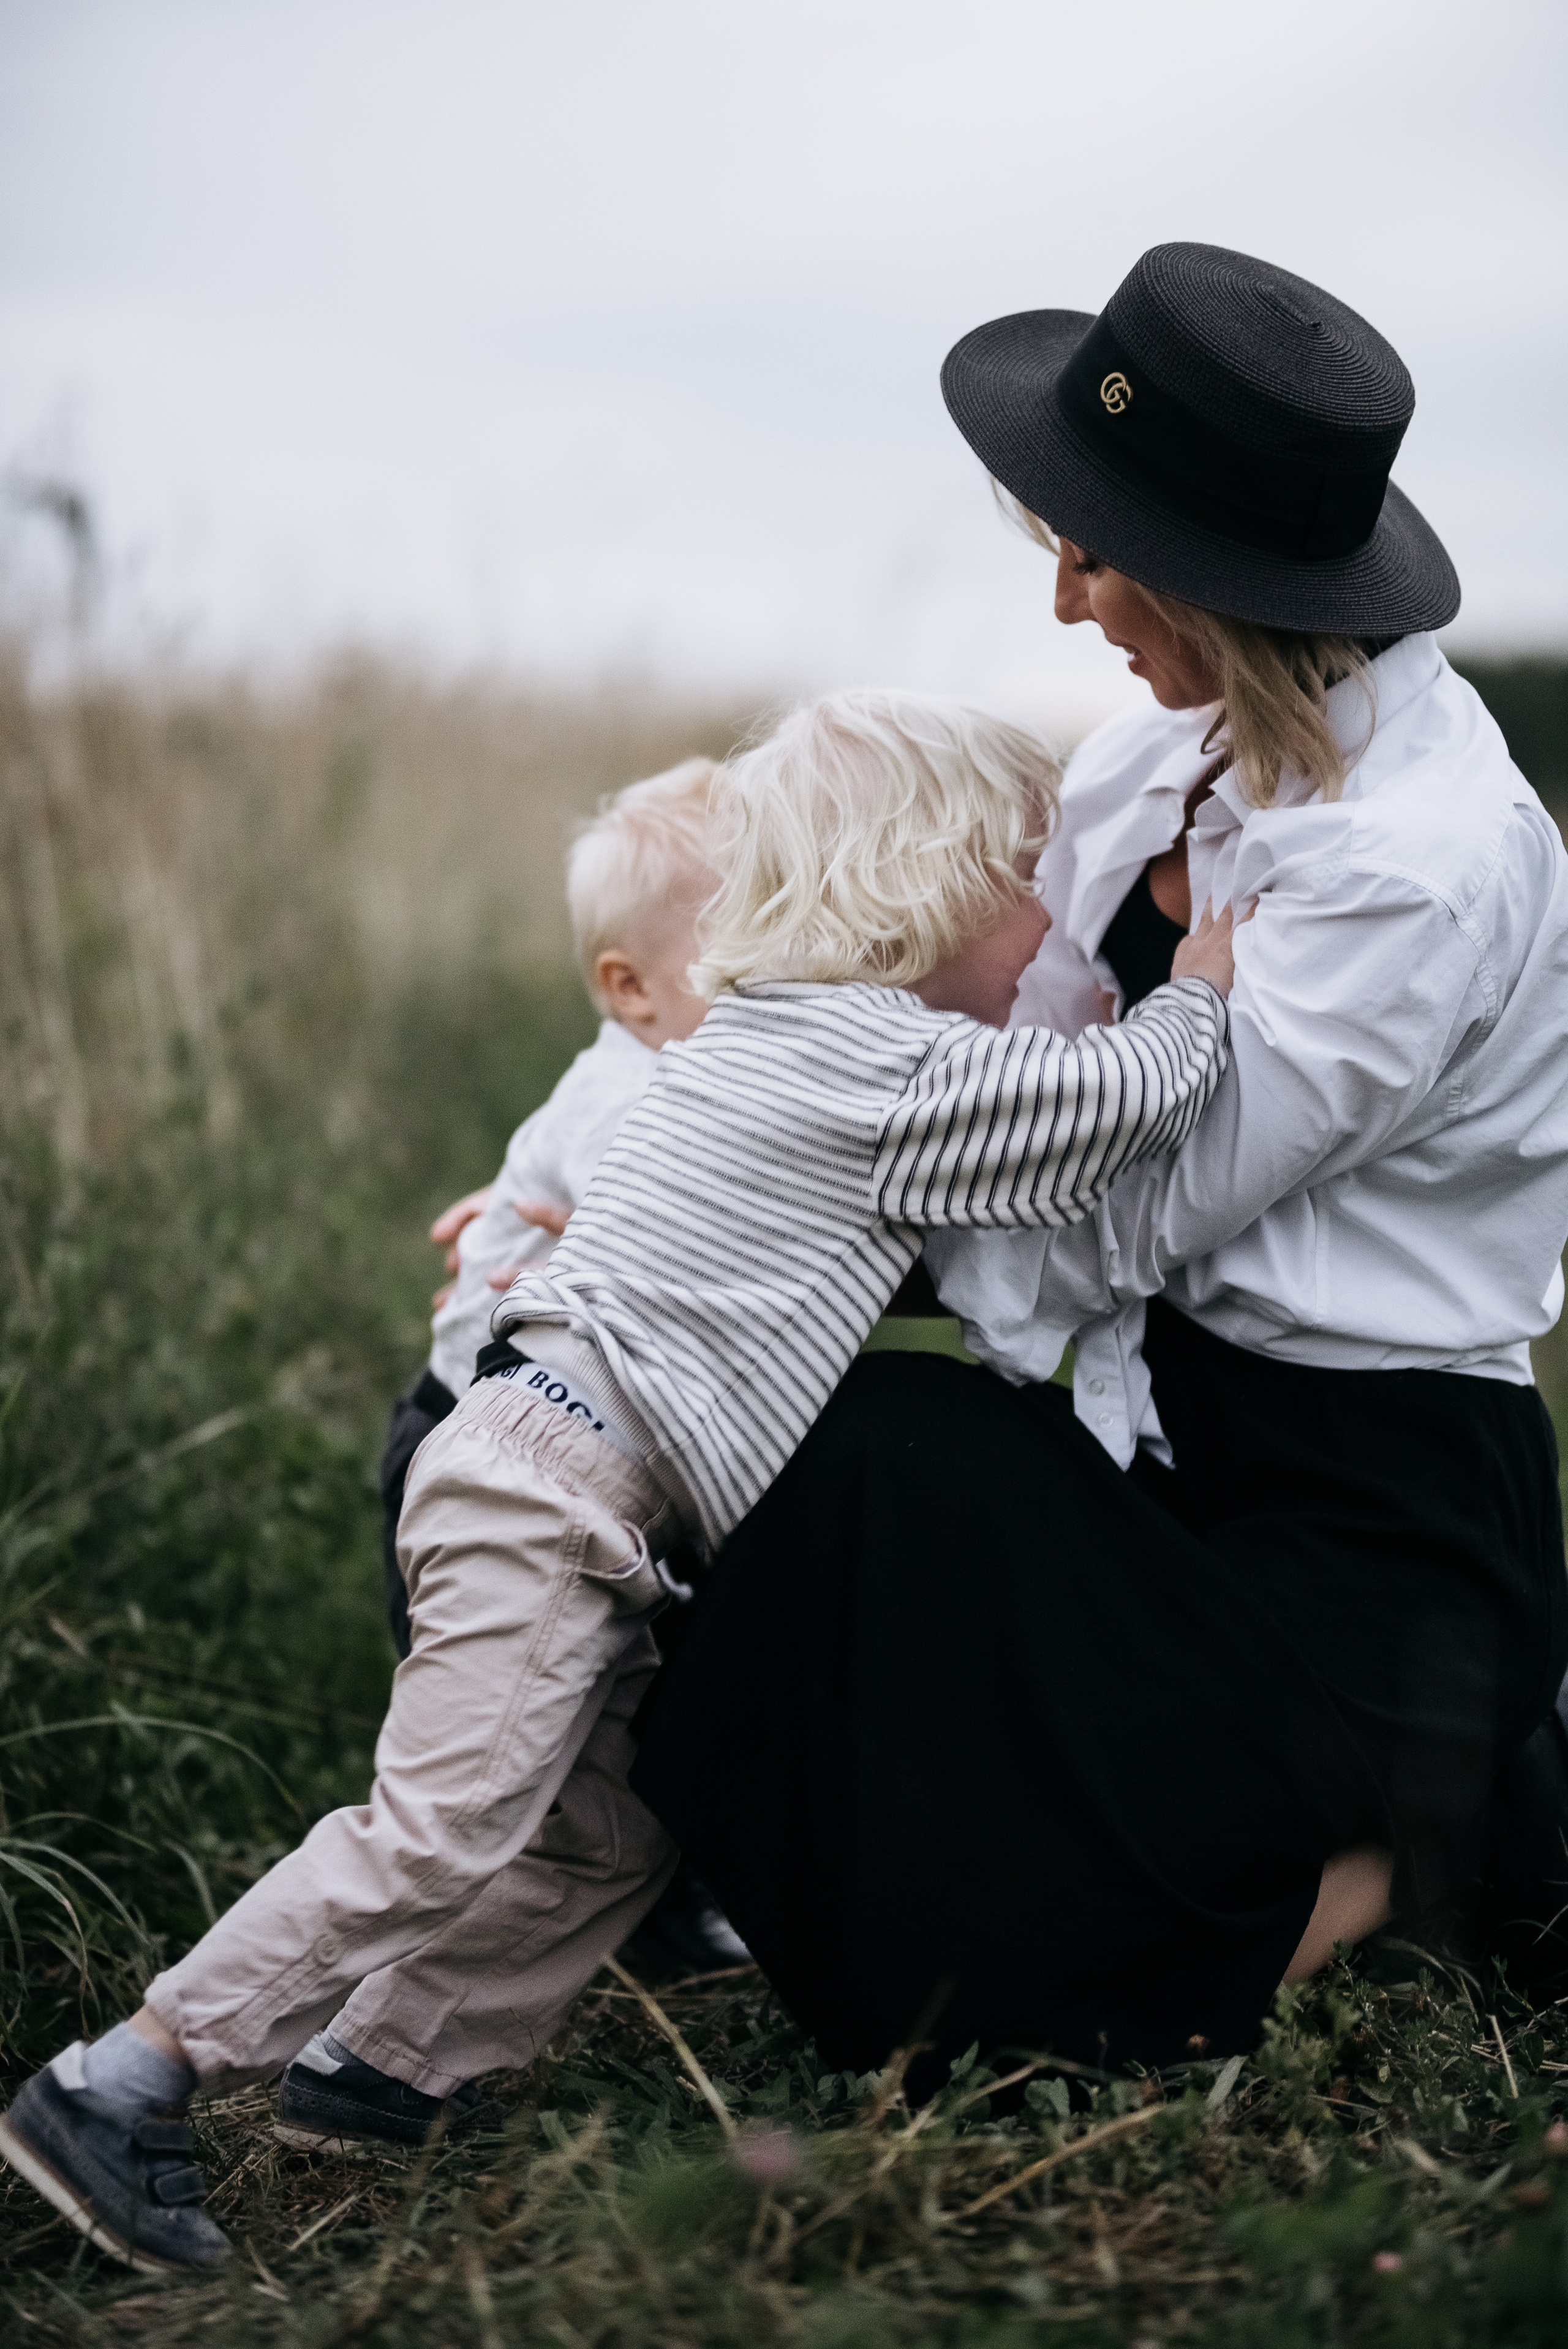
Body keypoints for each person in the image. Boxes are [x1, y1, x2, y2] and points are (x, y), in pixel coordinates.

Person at [0, 687, 1236, 2274]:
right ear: (924, 881)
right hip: (555, 1490)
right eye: (1032, 882)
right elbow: (1114, 1108)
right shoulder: (881, 1061)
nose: (1055, 926)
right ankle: (128, 2079)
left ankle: (390, 2067)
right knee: (440, 1826)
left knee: (622, 1818)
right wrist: (1195, 988)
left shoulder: (774, 1030)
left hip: (557, 1470)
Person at [628, 241, 1568, 2094]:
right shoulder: (1165, 762)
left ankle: (1435, 1818)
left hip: (1372, 1511)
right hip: (1168, 1434)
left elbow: (1121, 1201)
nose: (1063, 600)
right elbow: (981, 1065)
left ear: (1228, 577)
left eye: (1098, 550)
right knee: (839, 1471)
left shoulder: (1423, 865)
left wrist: (814, 1236)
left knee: (1029, 1973)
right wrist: (638, 1209)